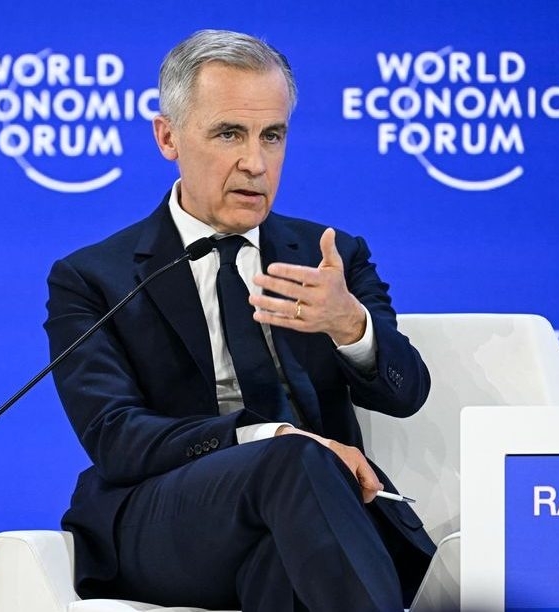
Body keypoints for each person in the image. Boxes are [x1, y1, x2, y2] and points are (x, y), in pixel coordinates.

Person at [44, 29, 435, 612]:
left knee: (283, 562)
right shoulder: (94, 277)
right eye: (229, 133)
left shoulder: (331, 255)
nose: (255, 163)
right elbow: (116, 439)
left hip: (314, 517)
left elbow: (409, 393)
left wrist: (350, 326)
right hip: (165, 519)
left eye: (272, 136)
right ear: (168, 136)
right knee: (295, 459)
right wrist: (270, 435)